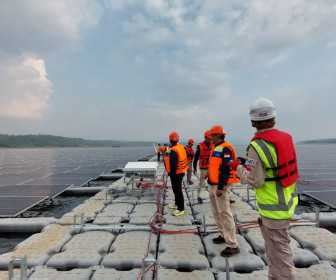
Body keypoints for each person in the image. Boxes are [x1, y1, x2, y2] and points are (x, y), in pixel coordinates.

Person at [237, 98, 299, 280]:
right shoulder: (286, 138)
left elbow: (256, 180)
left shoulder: (256, 145)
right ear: (274, 118)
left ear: (252, 121)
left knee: (280, 254)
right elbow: (273, 166)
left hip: (273, 209)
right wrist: (247, 163)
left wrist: (239, 169)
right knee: (279, 250)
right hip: (287, 203)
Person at [207, 125, 240, 256]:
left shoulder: (225, 148)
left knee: (225, 213)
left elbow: (226, 169)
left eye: (212, 136)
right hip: (213, 184)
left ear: (218, 135)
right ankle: (222, 234)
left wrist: (221, 187)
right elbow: (215, 166)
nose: (210, 138)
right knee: (216, 212)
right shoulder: (216, 148)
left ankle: (232, 244)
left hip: (220, 186)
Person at [163, 131, 188, 217]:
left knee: (177, 190)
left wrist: (170, 173)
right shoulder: (180, 147)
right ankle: (177, 204)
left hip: (176, 173)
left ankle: (181, 209)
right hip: (181, 171)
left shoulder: (174, 150)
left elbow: (173, 164)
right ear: (178, 139)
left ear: (170, 140)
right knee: (176, 190)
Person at [193, 130, 213, 203]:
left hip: (211, 167)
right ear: (205, 138)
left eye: (211, 138)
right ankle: (199, 196)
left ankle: (213, 195)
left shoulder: (213, 145)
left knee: (213, 182)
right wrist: (194, 168)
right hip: (203, 167)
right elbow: (195, 158)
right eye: (208, 138)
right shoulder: (200, 146)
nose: (210, 140)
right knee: (201, 182)